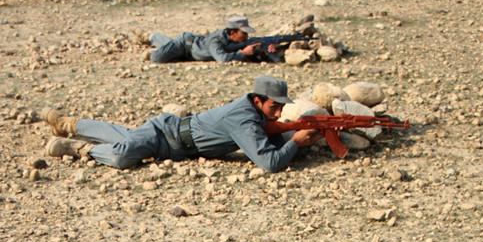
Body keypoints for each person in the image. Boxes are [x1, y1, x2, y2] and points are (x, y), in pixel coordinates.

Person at [41, 75, 322, 172]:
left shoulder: (255, 112)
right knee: (122, 154)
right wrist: (296, 142)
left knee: (123, 135)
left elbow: (268, 142)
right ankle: (78, 148)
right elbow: (270, 163)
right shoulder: (243, 118)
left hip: (176, 141)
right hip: (166, 136)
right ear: (258, 100)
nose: (278, 113)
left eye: (282, 107)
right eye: (274, 106)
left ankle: (70, 123)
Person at [147, 15, 280, 64]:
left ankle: (155, 37)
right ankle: (153, 37)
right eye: (243, 33)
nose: (246, 37)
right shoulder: (216, 41)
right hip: (185, 45)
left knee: (169, 47)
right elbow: (222, 58)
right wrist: (243, 53)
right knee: (156, 58)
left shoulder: (234, 40)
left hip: (191, 52)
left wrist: (266, 49)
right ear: (233, 32)